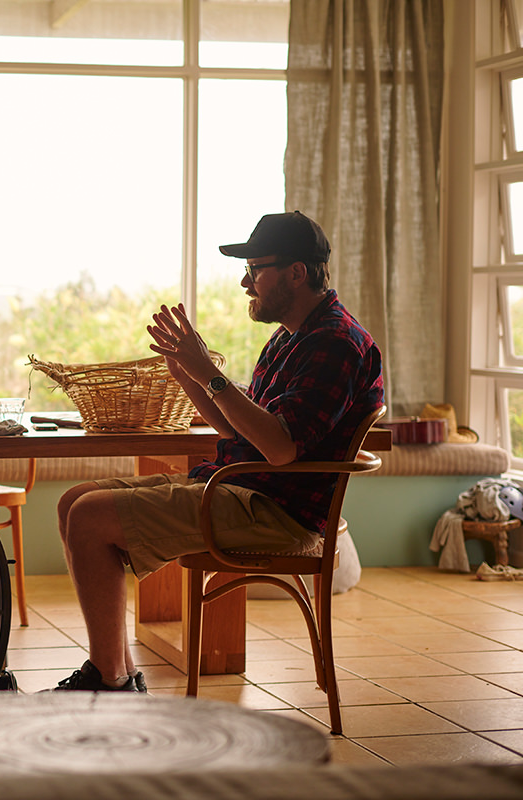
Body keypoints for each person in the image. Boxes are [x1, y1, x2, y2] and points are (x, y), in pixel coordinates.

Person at [50, 210, 384, 693]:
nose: (246, 282)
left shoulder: (336, 342)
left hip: (274, 513)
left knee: (87, 517)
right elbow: (235, 429)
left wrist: (209, 370)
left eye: (256, 268)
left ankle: (110, 681)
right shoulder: (291, 338)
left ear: (297, 272)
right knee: (72, 502)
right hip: (238, 489)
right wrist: (189, 373)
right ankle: (116, 673)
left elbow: (279, 448)